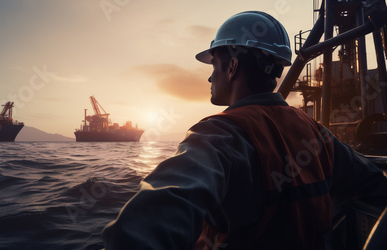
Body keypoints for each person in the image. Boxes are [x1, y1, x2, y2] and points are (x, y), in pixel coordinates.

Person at [102, 11, 387, 250]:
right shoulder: (316, 132)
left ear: (233, 66)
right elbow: (375, 182)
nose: (210, 75)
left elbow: (144, 227)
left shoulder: (219, 134)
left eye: (214, 63)